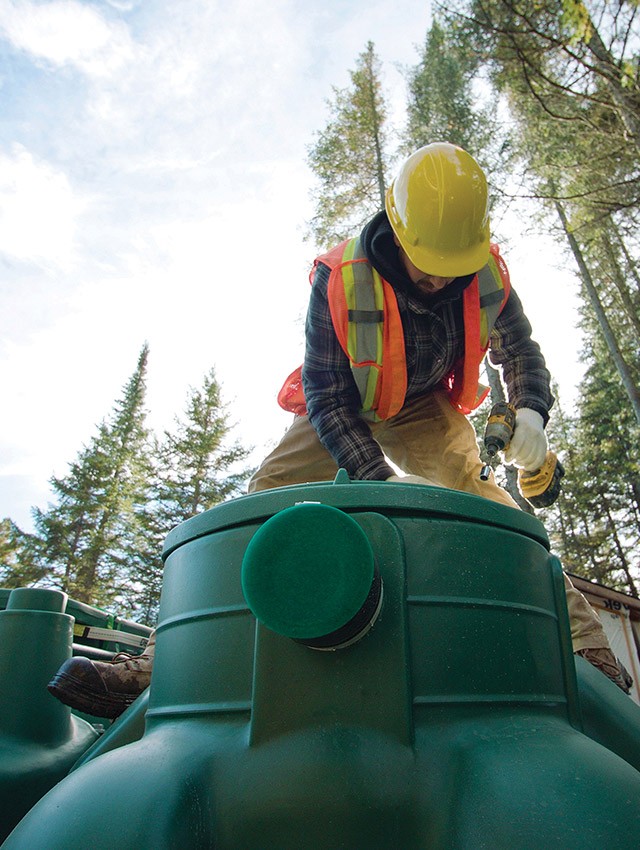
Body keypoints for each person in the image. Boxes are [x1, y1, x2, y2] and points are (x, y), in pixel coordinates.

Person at [48, 143, 630, 718]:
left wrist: (531, 409)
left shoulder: (484, 272)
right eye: (428, 264)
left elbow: (519, 349)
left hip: (420, 403)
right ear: (398, 229)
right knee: (263, 500)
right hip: (340, 401)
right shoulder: (338, 278)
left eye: (452, 268)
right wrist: (377, 486)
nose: (439, 281)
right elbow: (327, 396)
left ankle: (587, 644)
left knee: (476, 492)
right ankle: (161, 661)